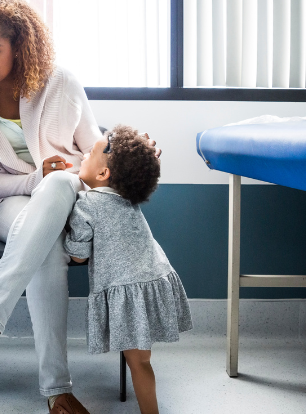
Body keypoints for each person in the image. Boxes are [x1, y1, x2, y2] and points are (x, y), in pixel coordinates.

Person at [0, 0, 157, 414]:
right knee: (47, 217)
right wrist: (38, 178)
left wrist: (134, 152)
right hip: (6, 208)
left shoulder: (61, 84)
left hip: (72, 204)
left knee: (57, 193)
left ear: (20, 45)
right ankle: (57, 392)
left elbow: (96, 151)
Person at [64, 125, 193, 414]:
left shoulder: (87, 204)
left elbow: (80, 256)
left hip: (128, 288)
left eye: (90, 153)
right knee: (142, 362)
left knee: (137, 362)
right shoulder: (126, 198)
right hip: (154, 278)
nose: (83, 155)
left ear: (103, 174)